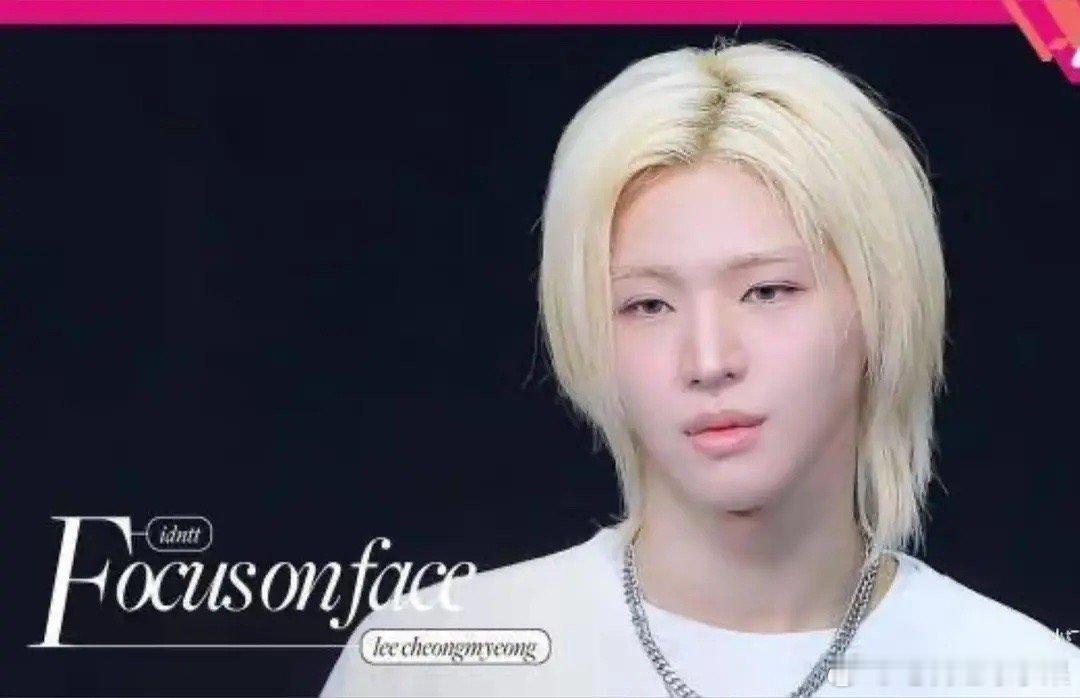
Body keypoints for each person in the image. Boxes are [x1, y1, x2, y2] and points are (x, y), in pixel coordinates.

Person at [320, 41, 1080, 697]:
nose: (709, 361)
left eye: (768, 292)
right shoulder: (436, 667)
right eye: (648, 305)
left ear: (883, 302)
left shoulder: (1027, 678)